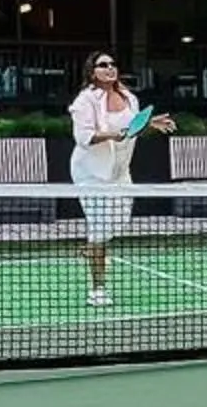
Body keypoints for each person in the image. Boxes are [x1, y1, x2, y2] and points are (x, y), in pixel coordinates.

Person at [68, 55, 171, 306]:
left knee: (118, 221)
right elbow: (84, 137)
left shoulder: (129, 98)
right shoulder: (85, 101)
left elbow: (133, 128)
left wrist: (151, 123)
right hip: (91, 172)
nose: (110, 68)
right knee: (100, 230)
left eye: (113, 64)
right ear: (93, 72)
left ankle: (91, 249)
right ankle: (98, 289)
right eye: (103, 65)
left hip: (120, 172)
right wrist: (114, 135)